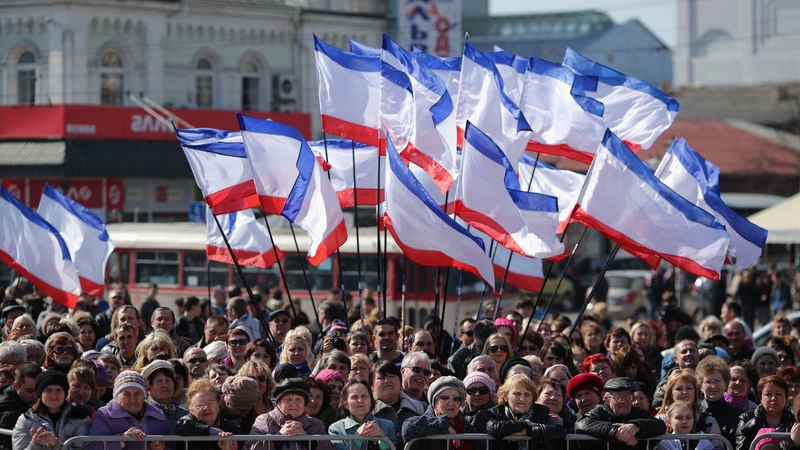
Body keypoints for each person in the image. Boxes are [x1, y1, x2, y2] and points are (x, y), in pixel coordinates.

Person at [575, 377, 667, 450]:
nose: (624, 401)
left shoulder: (638, 412)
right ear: (607, 399)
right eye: (618, 397)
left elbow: (660, 425)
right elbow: (581, 424)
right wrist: (616, 432)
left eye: (628, 397)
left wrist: (636, 427)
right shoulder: (600, 412)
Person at [87, 370, 170, 450]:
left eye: (137, 393)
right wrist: (121, 439)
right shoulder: (105, 415)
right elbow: (92, 448)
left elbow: (173, 446)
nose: (133, 399)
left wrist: (163, 448)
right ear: (117, 396)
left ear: (144, 396)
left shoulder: (159, 416)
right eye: (127, 394)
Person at [245, 378, 334, 450]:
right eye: (288, 399)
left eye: (299, 399)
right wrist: (279, 437)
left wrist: (307, 439)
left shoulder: (316, 424)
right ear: (278, 403)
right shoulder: (264, 421)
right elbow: (250, 448)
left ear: (305, 404)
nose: (294, 404)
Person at [12, 370, 91, 450]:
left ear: (65, 393)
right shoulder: (26, 419)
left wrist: (56, 444)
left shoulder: (80, 417)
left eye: (58, 390)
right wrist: (35, 444)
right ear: (40, 393)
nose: (54, 395)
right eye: (48, 390)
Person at [484, 374, 565, 450]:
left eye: (527, 395)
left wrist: (528, 431)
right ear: (505, 396)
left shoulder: (541, 412)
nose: (522, 399)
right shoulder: (497, 412)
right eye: (517, 394)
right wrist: (525, 424)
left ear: (533, 398)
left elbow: (559, 431)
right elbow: (492, 428)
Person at [402, 376, 485, 450]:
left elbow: (483, 445)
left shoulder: (463, 424)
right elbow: (407, 429)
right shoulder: (425, 421)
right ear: (435, 402)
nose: (451, 403)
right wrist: (443, 424)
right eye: (444, 397)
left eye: (456, 398)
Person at [329, 379, 396, 450]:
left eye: (364, 396)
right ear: (345, 404)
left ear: (371, 402)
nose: (360, 401)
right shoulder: (336, 429)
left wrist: (383, 439)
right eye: (354, 397)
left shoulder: (387, 426)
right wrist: (357, 438)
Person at [656, 369, 721, 441]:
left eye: (689, 388)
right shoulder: (659, 421)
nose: (684, 392)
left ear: (695, 392)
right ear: (671, 394)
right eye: (679, 388)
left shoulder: (708, 422)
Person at [176, 378, 240, 450]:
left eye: (211, 403)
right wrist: (214, 431)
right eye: (200, 404)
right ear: (191, 409)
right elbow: (183, 426)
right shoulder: (184, 425)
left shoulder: (232, 428)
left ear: (218, 405)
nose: (206, 407)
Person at [371, 360, 424, 445]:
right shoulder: (366, 411)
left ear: (400, 381)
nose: (387, 380)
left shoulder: (420, 408)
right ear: (371, 386)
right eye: (381, 377)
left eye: (391, 376)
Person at [736, 375, 794, 450]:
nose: (773, 398)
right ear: (760, 398)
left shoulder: (795, 420)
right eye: (768, 394)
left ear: (786, 397)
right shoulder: (747, 419)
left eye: (778, 394)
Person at [696, 356, 741, 446]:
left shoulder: (738, 415)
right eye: (708, 382)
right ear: (701, 386)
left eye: (717, 381)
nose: (713, 386)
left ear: (726, 384)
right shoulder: (693, 413)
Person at [0, 363, 41, 450]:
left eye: (38, 390)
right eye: (30, 391)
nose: (35, 396)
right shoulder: (8, 411)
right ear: (16, 386)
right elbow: (5, 444)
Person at [142, 360, 189, 434]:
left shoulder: (184, 414)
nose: (165, 385)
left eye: (168, 380)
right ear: (149, 387)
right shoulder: (143, 413)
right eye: (159, 381)